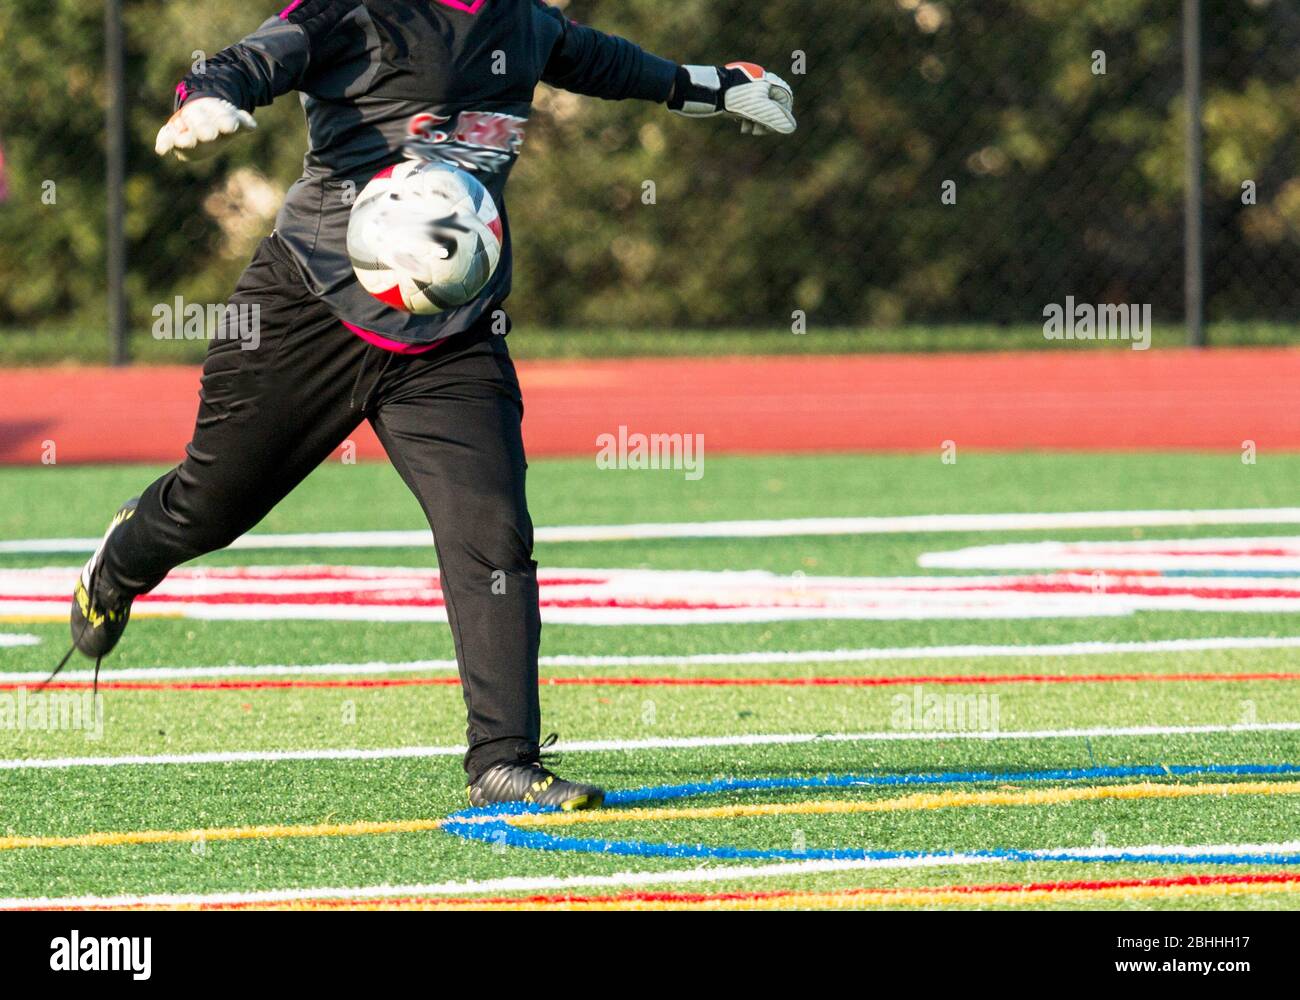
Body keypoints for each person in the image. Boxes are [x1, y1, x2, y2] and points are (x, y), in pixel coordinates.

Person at [57, 0, 796, 810]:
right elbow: (259, 55)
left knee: (492, 534)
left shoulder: (523, 22)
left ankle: (504, 760)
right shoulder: (363, 10)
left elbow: (604, 62)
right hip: (309, 308)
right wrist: (206, 95)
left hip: (452, 335)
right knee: (208, 505)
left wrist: (713, 87)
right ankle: (120, 561)